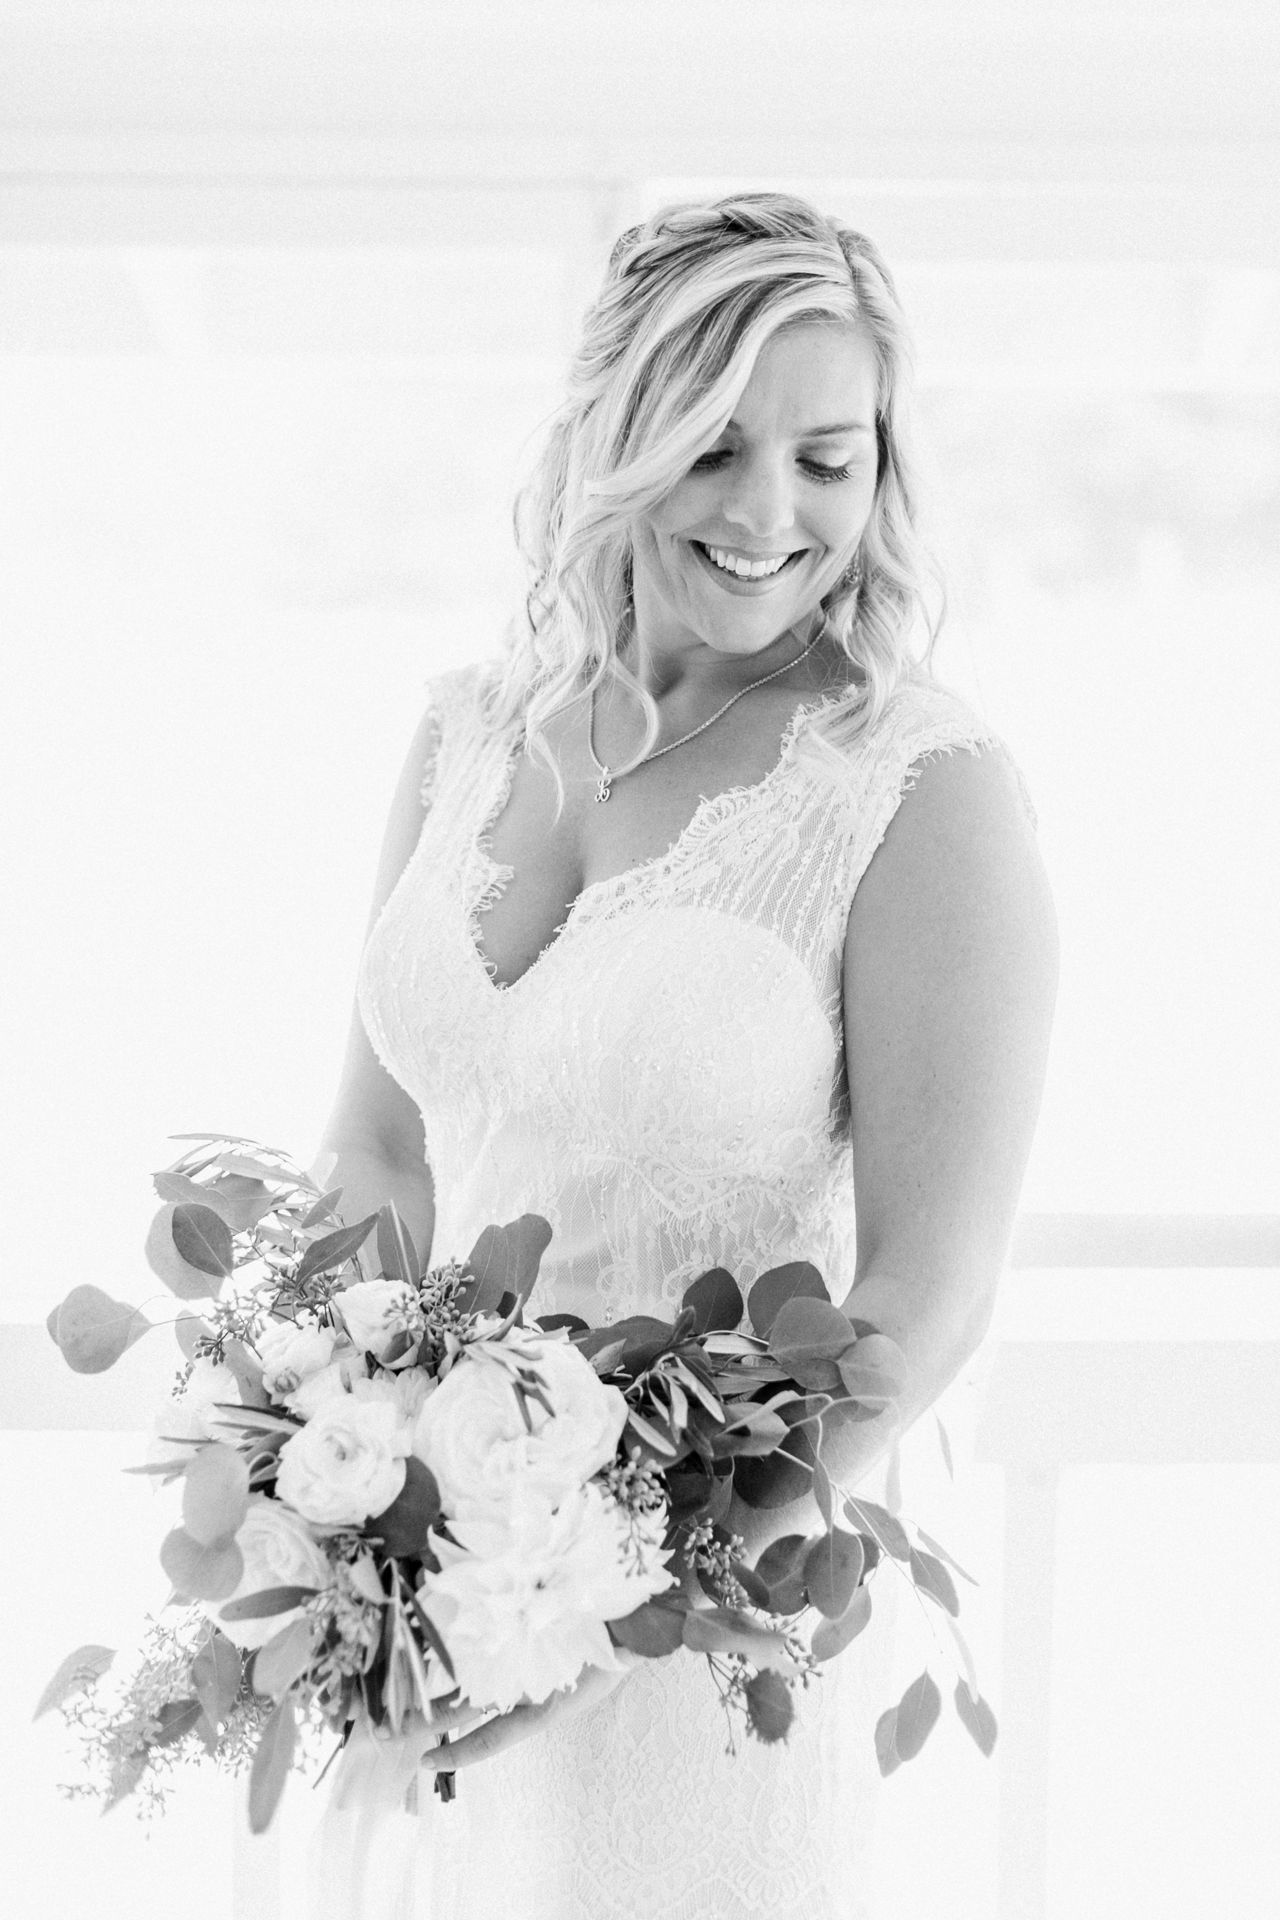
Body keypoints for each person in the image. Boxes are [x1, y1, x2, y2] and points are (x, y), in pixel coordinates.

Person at [309, 191, 1058, 1919]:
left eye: (827, 456)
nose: (771, 514)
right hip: (424, 1592)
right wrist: (328, 1470)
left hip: (723, 1623)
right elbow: (376, 1146)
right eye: (718, 445)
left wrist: (604, 1606)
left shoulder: (917, 792)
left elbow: (928, 1294)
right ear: (612, 435)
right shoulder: (462, 728)